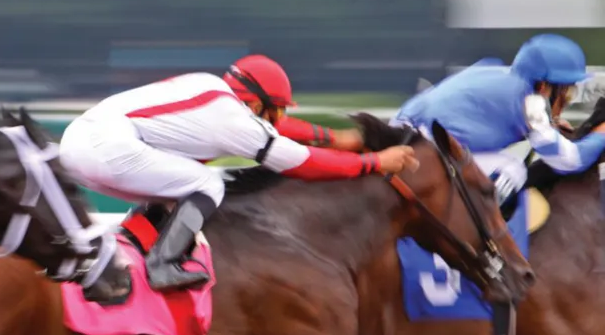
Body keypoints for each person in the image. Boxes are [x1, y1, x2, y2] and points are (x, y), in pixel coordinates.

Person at [59, 54, 417, 291]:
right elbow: (300, 163)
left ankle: (131, 247)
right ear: (255, 103)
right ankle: (163, 264)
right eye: (277, 110)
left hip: (82, 142)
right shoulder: (233, 120)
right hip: (105, 147)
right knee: (207, 183)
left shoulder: (215, 92)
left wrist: (336, 139)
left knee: (177, 185)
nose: (279, 118)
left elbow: (273, 129)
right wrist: (375, 163)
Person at [393, 34, 605, 229]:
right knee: (512, 169)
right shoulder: (530, 101)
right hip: (421, 147)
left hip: (409, 133)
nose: (566, 101)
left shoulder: (499, 74)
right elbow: (569, 161)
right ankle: (475, 232)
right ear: (543, 86)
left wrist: (548, 124)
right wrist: (599, 136)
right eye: (566, 92)